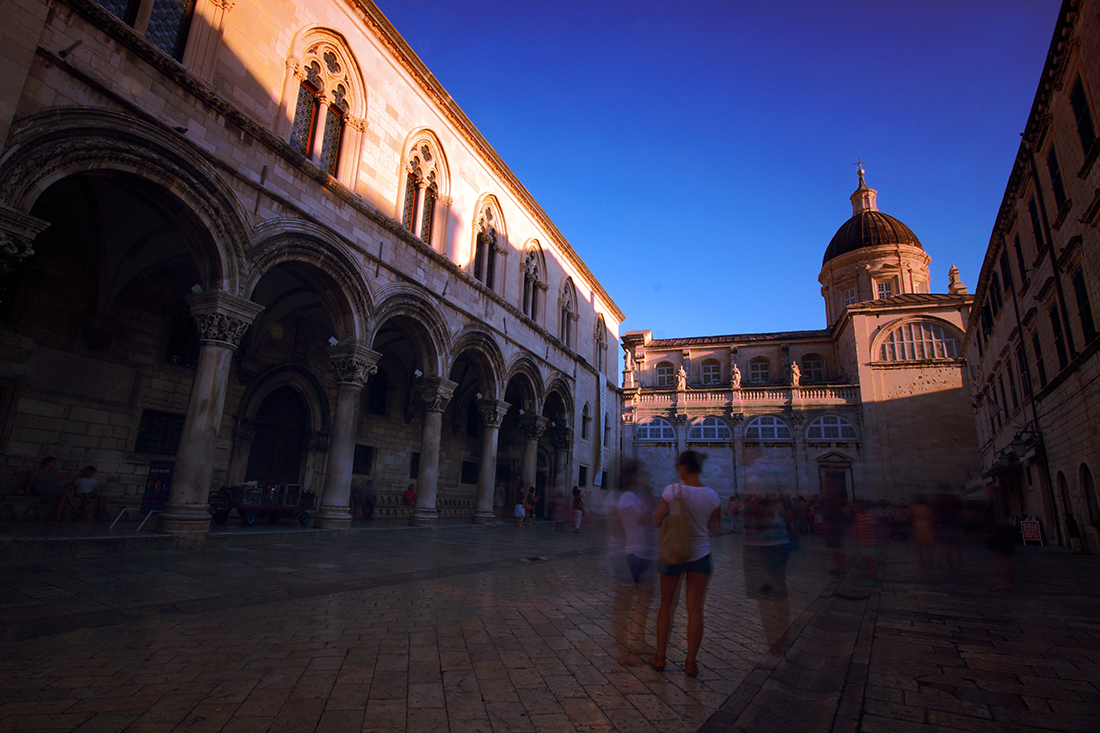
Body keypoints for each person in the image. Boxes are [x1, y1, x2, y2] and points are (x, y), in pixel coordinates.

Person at [650, 450, 721, 678]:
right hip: (701, 555)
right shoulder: (713, 496)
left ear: (684, 467)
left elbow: (656, 520)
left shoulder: (672, 491)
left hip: (673, 553)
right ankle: (691, 662)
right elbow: (715, 527)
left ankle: (661, 657)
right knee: (695, 609)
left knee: (666, 606)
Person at [613, 462, 657, 665]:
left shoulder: (634, 498)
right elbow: (644, 520)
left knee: (643, 601)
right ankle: (624, 649)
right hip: (635, 554)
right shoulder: (628, 498)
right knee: (627, 603)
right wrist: (652, 503)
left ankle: (638, 641)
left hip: (644, 554)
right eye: (640, 475)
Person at [742, 492, 792, 668]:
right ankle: (782, 647)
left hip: (763, 548)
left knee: (767, 600)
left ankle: (775, 654)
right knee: (780, 597)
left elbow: (755, 521)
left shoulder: (757, 489)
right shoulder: (775, 492)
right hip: (780, 543)